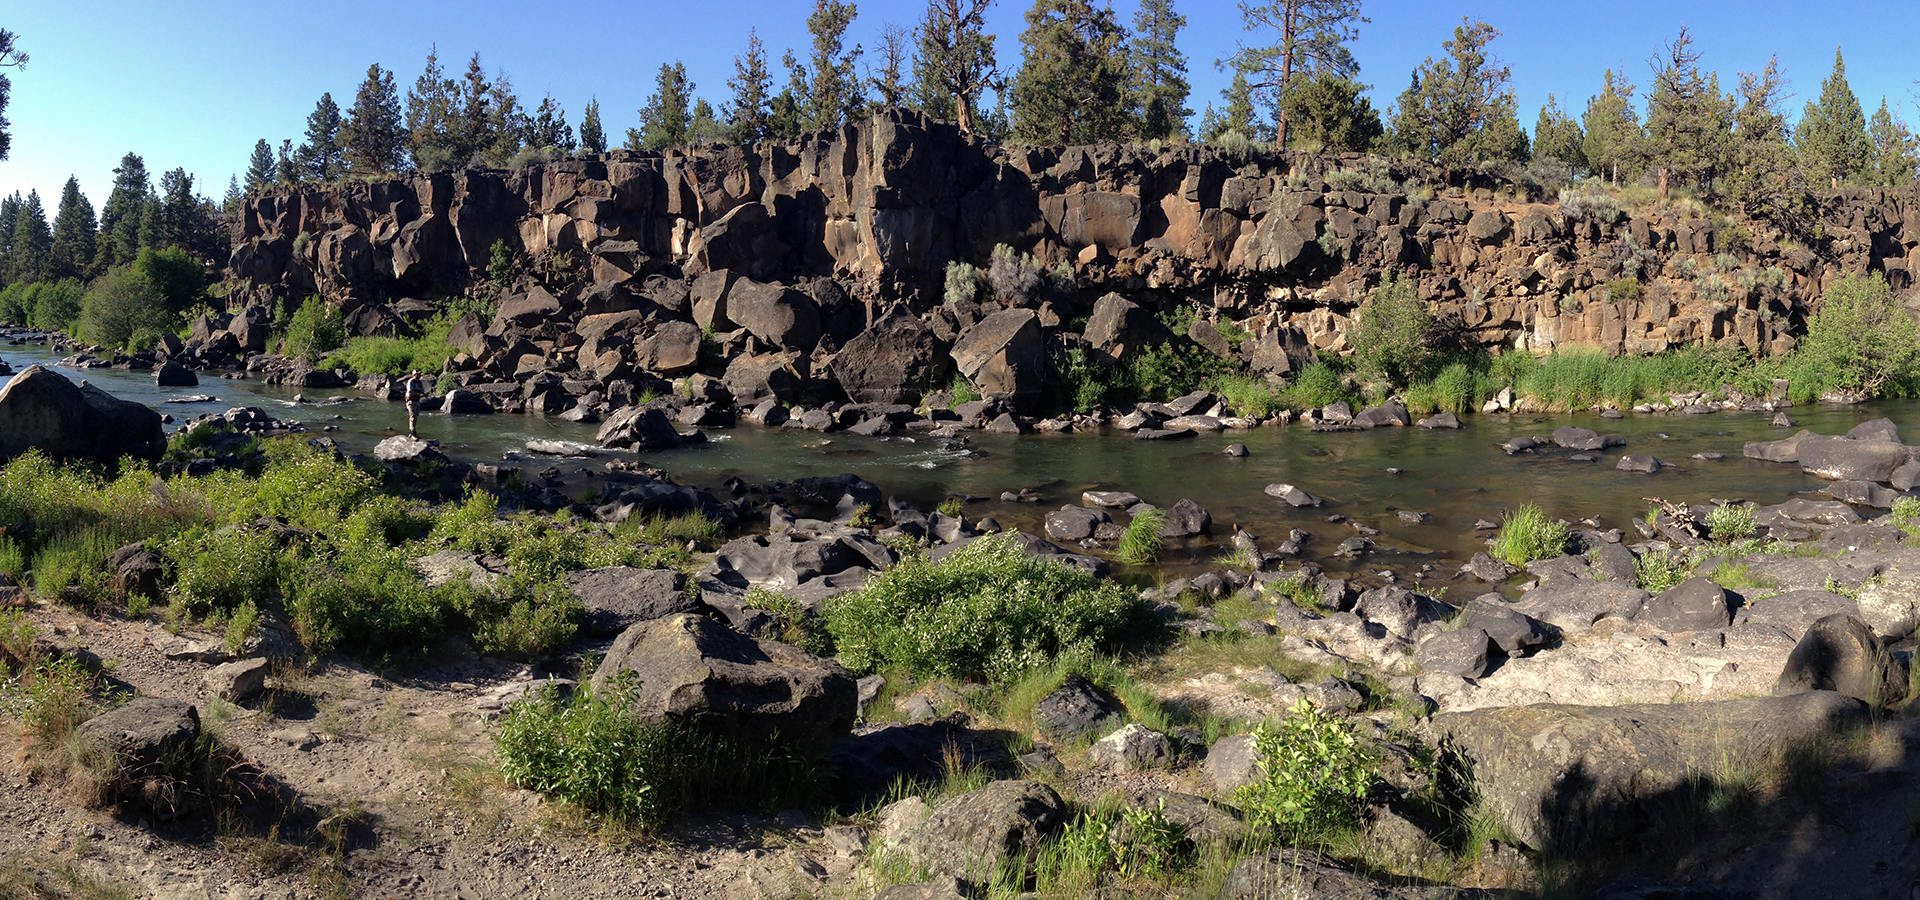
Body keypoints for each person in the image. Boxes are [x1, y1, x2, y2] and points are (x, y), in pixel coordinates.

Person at [402, 369, 425, 438]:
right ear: (414, 375)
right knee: (413, 416)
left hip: (417, 401)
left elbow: (422, 391)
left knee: (415, 417)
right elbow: (410, 392)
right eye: (418, 374)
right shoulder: (411, 382)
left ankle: (412, 432)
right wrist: (419, 394)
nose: (419, 376)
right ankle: (413, 433)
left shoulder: (420, 382)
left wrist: (424, 395)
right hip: (410, 401)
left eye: (420, 374)